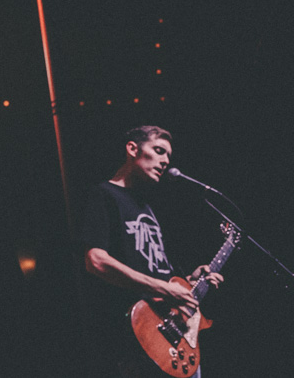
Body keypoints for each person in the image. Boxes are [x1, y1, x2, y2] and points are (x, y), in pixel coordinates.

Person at [77, 126, 224, 377]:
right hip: (135, 336)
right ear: (132, 149)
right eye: (158, 151)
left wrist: (189, 280)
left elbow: (155, 268)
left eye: (168, 156)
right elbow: (96, 260)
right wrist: (164, 288)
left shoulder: (147, 207)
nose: (165, 161)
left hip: (169, 333)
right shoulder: (104, 194)